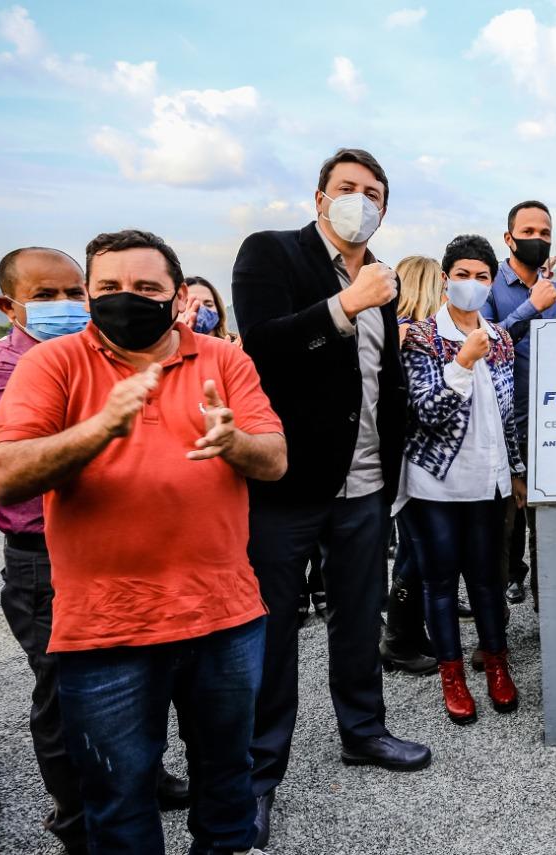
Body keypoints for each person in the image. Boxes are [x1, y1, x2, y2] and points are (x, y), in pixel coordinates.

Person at [0, 229, 287, 854]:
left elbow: (275, 458)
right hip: (106, 630)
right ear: (93, 295)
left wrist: (234, 443)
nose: (129, 298)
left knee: (228, 786)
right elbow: (7, 475)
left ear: (176, 296)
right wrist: (100, 427)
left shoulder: (224, 360)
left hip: (223, 618)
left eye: (147, 287)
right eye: (111, 287)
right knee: (119, 801)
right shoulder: (53, 362)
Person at [232, 147, 431, 849]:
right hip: (288, 486)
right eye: (347, 188)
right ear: (320, 198)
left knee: (358, 614)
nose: (360, 199)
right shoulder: (272, 254)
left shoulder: (383, 277)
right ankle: (257, 774)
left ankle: (364, 729)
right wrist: (343, 305)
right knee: (272, 627)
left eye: (373, 191)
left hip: (367, 483)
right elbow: (259, 345)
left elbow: (382, 378)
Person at [0, 246, 195, 853]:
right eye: (46, 297)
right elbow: (27, 458)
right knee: (66, 691)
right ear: (7, 306)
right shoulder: (3, 371)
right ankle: (76, 816)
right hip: (44, 555)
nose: (67, 306)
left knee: (136, 677)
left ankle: (139, 779)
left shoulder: (105, 356)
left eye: (76, 292)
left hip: (121, 544)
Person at [401, 234, 526, 724]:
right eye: (462, 275)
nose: (471, 285)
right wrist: (462, 361)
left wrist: (516, 470)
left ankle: (496, 664)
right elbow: (427, 411)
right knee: (439, 580)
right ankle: (451, 674)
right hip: (435, 482)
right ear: (445, 279)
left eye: (481, 276)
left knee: (488, 580)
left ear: (491, 280)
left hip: (488, 482)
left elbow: (507, 415)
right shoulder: (419, 337)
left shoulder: (501, 337)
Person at [481, 201, 556, 611]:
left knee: (548, 529)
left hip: (551, 428)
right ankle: (494, 637)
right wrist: (532, 308)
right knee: (501, 533)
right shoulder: (488, 284)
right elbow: (485, 344)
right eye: (528, 232)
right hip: (503, 429)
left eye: (545, 233)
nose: (538, 240)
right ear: (509, 238)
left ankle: (551, 614)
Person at [380, 255, 445, 676]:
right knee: (416, 551)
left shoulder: (403, 331)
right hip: (412, 454)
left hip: (410, 452)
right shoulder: (408, 334)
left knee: (416, 547)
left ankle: (411, 631)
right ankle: (399, 639)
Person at [184, 275, 239, 342]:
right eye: (192, 303)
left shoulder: (235, 345)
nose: (201, 309)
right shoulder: (169, 347)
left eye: (208, 305)